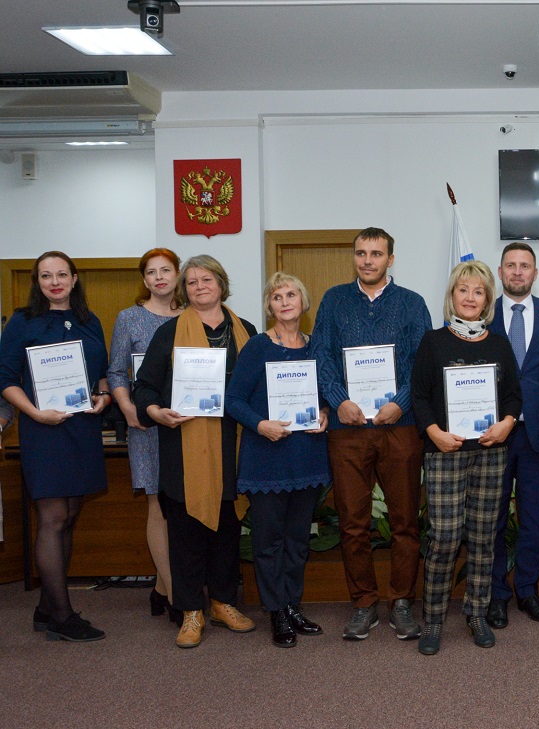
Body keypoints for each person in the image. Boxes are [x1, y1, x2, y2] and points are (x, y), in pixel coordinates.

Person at [312, 227, 431, 641]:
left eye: (376, 253)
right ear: (354, 257)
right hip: (349, 428)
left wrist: (401, 401)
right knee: (352, 523)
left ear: (390, 259)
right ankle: (364, 603)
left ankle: (401, 601)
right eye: (361, 253)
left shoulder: (413, 303)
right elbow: (321, 355)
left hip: (400, 427)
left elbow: (421, 361)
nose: (367, 260)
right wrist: (338, 398)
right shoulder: (333, 300)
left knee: (404, 522)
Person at [133, 255, 258, 648]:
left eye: (207, 279)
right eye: (191, 282)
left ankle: (222, 602)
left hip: (233, 443)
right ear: (183, 290)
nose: (199, 286)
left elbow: (260, 387)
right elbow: (145, 388)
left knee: (226, 528)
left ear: (221, 284)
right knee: (186, 532)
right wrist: (156, 411)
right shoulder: (168, 333)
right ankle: (190, 610)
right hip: (184, 445)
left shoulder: (248, 331)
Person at [411, 261, 522, 655]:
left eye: (478, 292)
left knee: (481, 537)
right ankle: (434, 619)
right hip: (445, 453)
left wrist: (507, 423)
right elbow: (419, 396)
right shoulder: (433, 341)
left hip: (490, 453)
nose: (470, 297)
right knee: (443, 537)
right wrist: (434, 433)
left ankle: (476, 614)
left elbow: (513, 395)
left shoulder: (497, 343)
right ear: (452, 297)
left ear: (487, 300)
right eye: (463, 290)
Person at [0, 251, 111, 642]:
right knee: (53, 518)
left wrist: (103, 396)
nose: (54, 281)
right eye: (46, 276)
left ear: (75, 278)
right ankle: (63, 616)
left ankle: (46, 608)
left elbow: (100, 373)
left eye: (61, 274)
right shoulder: (22, 321)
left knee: (71, 513)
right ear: (37, 281)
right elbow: (5, 377)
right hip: (43, 429)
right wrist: (32, 411)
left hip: (81, 427)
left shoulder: (89, 320)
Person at [227, 273, 330, 648]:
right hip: (267, 457)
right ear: (269, 306)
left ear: (304, 303)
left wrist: (325, 412)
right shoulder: (256, 347)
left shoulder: (317, 346)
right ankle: (276, 611)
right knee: (269, 540)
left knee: (299, 539)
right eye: (276, 296)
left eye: (291, 295)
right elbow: (233, 400)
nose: (285, 301)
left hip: (307, 457)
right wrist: (260, 424)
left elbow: (326, 394)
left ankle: (293, 605)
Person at [485, 243, 539, 628]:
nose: (518, 272)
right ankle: (497, 595)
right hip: (493, 434)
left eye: (525, 266)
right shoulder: (481, 314)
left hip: (538, 434)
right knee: (494, 519)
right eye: (511, 266)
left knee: (534, 518)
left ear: (535, 273)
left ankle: (528, 591)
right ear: (500, 272)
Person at [108, 247, 183, 626]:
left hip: (186, 425)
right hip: (147, 426)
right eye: (151, 272)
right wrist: (128, 409)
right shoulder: (129, 319)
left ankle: (160, 588)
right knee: (158, 504)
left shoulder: (191, 316)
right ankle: (175, 596)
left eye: (165, 270)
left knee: (181, 507)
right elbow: (117, 371)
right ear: (144, 279)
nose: (159, 278)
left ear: (177, 274)